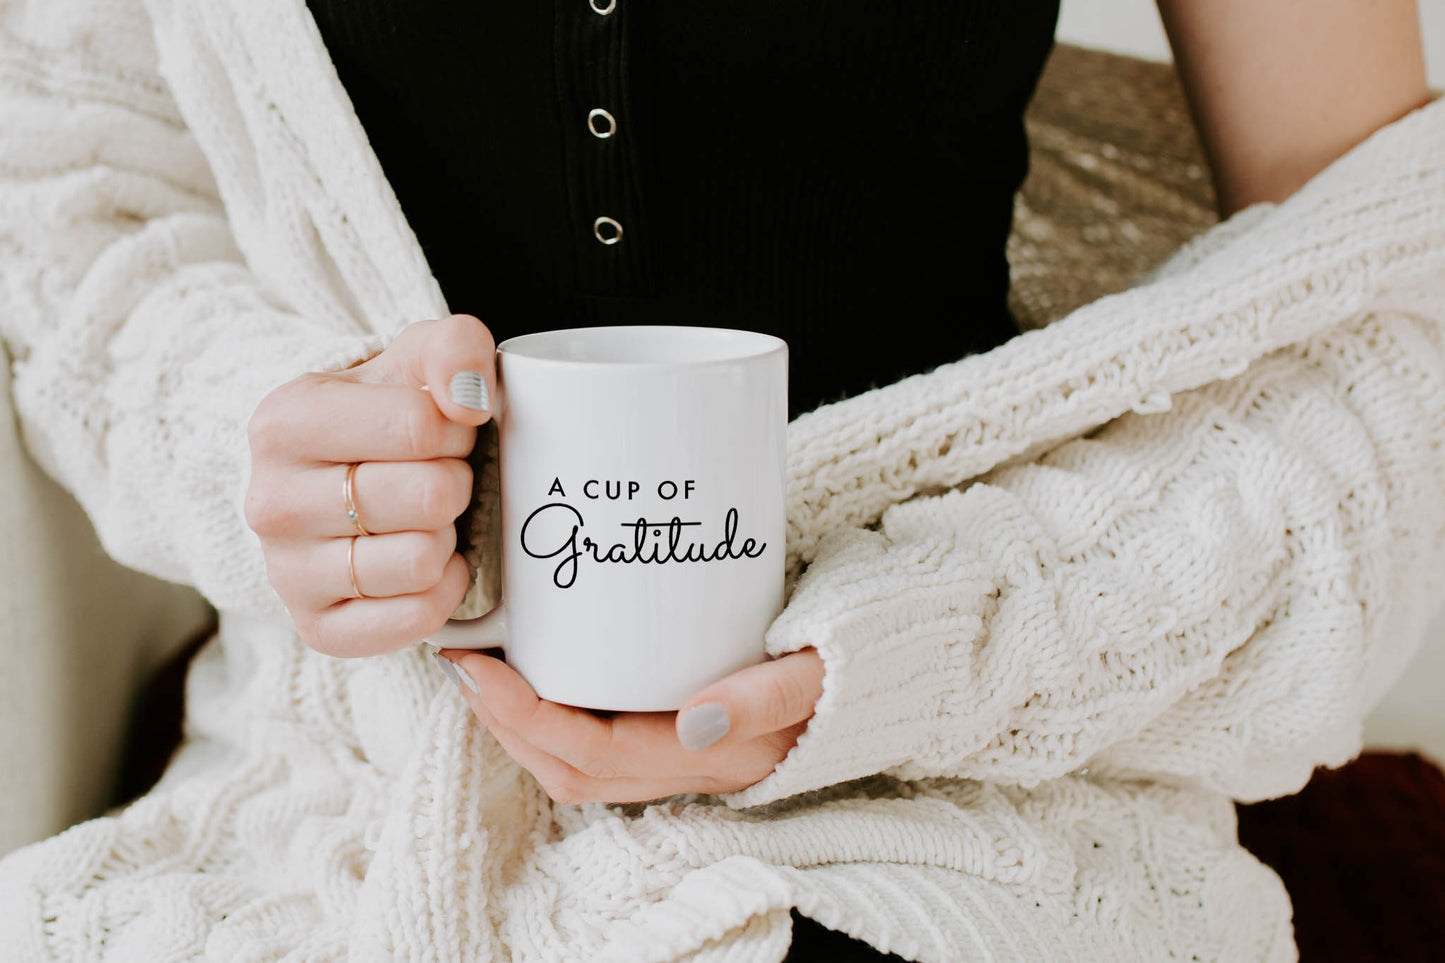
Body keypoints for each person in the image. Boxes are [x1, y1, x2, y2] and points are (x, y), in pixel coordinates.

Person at [0, 0, 1439, 959]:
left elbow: (1390, 328)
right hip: (338, 795)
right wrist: (273, 437)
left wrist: (933, 653)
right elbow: (75, 211)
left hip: (979, 792)